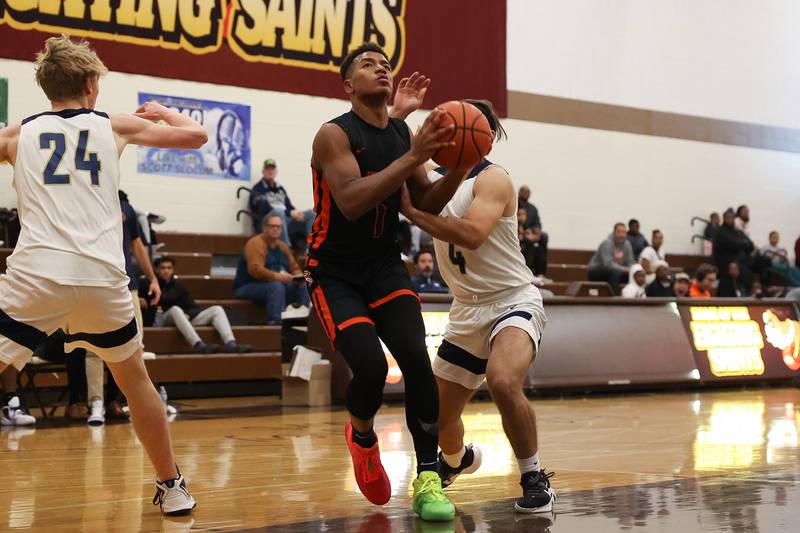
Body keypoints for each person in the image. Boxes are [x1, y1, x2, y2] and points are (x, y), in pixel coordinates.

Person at [0, 36, 201, 515]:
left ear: (45, 86)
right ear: (92, 84)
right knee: (136, 383)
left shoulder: (16, 134)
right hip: (102, 277)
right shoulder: (113, 124)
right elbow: (195, 136)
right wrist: (165, 112)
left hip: (38, 275)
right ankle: (172, 487)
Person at [306, 44, 470, 521]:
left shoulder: (401, 135)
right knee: (373, 370)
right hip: (332, 272)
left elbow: (425, 204)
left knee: (418, 360)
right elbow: (353, 200)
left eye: (384, 63)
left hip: (383, 266)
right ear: (348, 86)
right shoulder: (333, 135)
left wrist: (459, 165)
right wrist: (413, 153)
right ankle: (361, 435)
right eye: (366, 64)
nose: (380, 67)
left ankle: (428, 478)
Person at [401, 99, 555, 515]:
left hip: (512, 300)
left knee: (502, 380)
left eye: (455, 123)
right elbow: (402, 149)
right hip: (466, 309)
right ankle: (457, 461)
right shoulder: (435, 178)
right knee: (437, 415)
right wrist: (400, 112)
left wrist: (416, 214)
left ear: (477, 135)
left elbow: (470, 234)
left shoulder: (495, 179)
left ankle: (533, 475)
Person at [85, 190, 161, 426]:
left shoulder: (126, 206)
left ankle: (126, 401)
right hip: (95, 281)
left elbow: (137, 246)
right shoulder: (86, 198)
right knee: (93, 348)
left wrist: (153, 278)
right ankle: (96, 403)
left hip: (128, 284)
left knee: (135, 347)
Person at [143, 257, 252, 353]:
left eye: (169, 268)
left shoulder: (178, 286)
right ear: (156, 270)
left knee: (217, 309)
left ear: (173, 270)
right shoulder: (148, 284)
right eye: (163, 268)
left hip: (184, 319)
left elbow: (194, 307)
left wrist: (187, 314)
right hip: (162, 320)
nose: (166, 271)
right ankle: (199, 345)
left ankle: (231, 344)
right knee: (175, 309)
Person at [234, 213, 310, 325]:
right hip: (249, 286)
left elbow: (294, 268)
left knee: (305, 285)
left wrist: (298, 278)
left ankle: (301, 322)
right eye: (272, 226)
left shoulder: (282, 246)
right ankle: (277, 324)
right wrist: (278, 277)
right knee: (276, 286)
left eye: (278, 226)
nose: (275, 229)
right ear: (264, 227)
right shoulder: (255, 243)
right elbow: (255, 270)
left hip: (278, 284)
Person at [248, 158, 314, 245]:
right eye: (267, 169)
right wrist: (289, 212)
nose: (270, 171)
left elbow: (288, 205)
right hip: (269, 221)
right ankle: (286, 249)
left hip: (285, 219)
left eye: (272, 169)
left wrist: (296, 213)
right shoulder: (258, 188)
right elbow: (264, 208)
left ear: (276, 172)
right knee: (278, 212)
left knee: (311, 214)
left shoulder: (280, 189)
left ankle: (311, 248)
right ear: (263, 172)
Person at [587, 223, 635, 295]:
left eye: (623, 232)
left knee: (634, 275)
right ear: (614, 233)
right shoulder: (607, 243)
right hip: (597, 270)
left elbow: (630, 261)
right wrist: (625, 269)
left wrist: (633, 269)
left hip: (618, 272)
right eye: (619, 232)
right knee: (614, 273)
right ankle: (615, 300)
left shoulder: (627, 245)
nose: (621, 235)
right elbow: (608, 264)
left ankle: (633, 297)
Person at [713, 209, 755, 290]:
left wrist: (742, 244)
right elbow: (734, 244)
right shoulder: (721, 231)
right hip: (727, 263)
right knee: (746, 275)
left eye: (732, 218)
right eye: (727, 218)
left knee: (762, 262)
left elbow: (751, 245)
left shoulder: (737, 231)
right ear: (724, 219)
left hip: (740, 261)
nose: (730, 220)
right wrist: (743, 243)